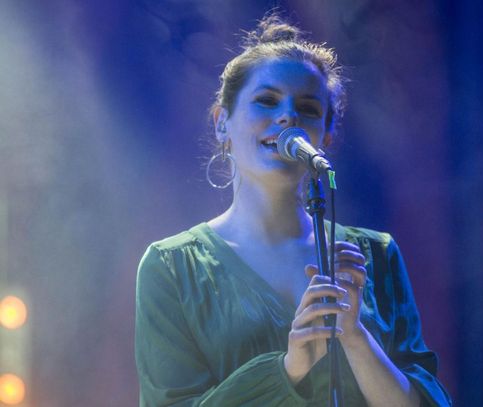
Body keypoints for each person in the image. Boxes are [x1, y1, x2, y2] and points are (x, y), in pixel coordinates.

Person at [135, 13, 451, 407]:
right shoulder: (172, 266)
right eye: (266, 101)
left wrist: (356, 338)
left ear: (327, 134)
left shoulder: (375, 255)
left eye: (308, 108)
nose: (288, 116)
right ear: (221, 123)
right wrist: (287, 371)